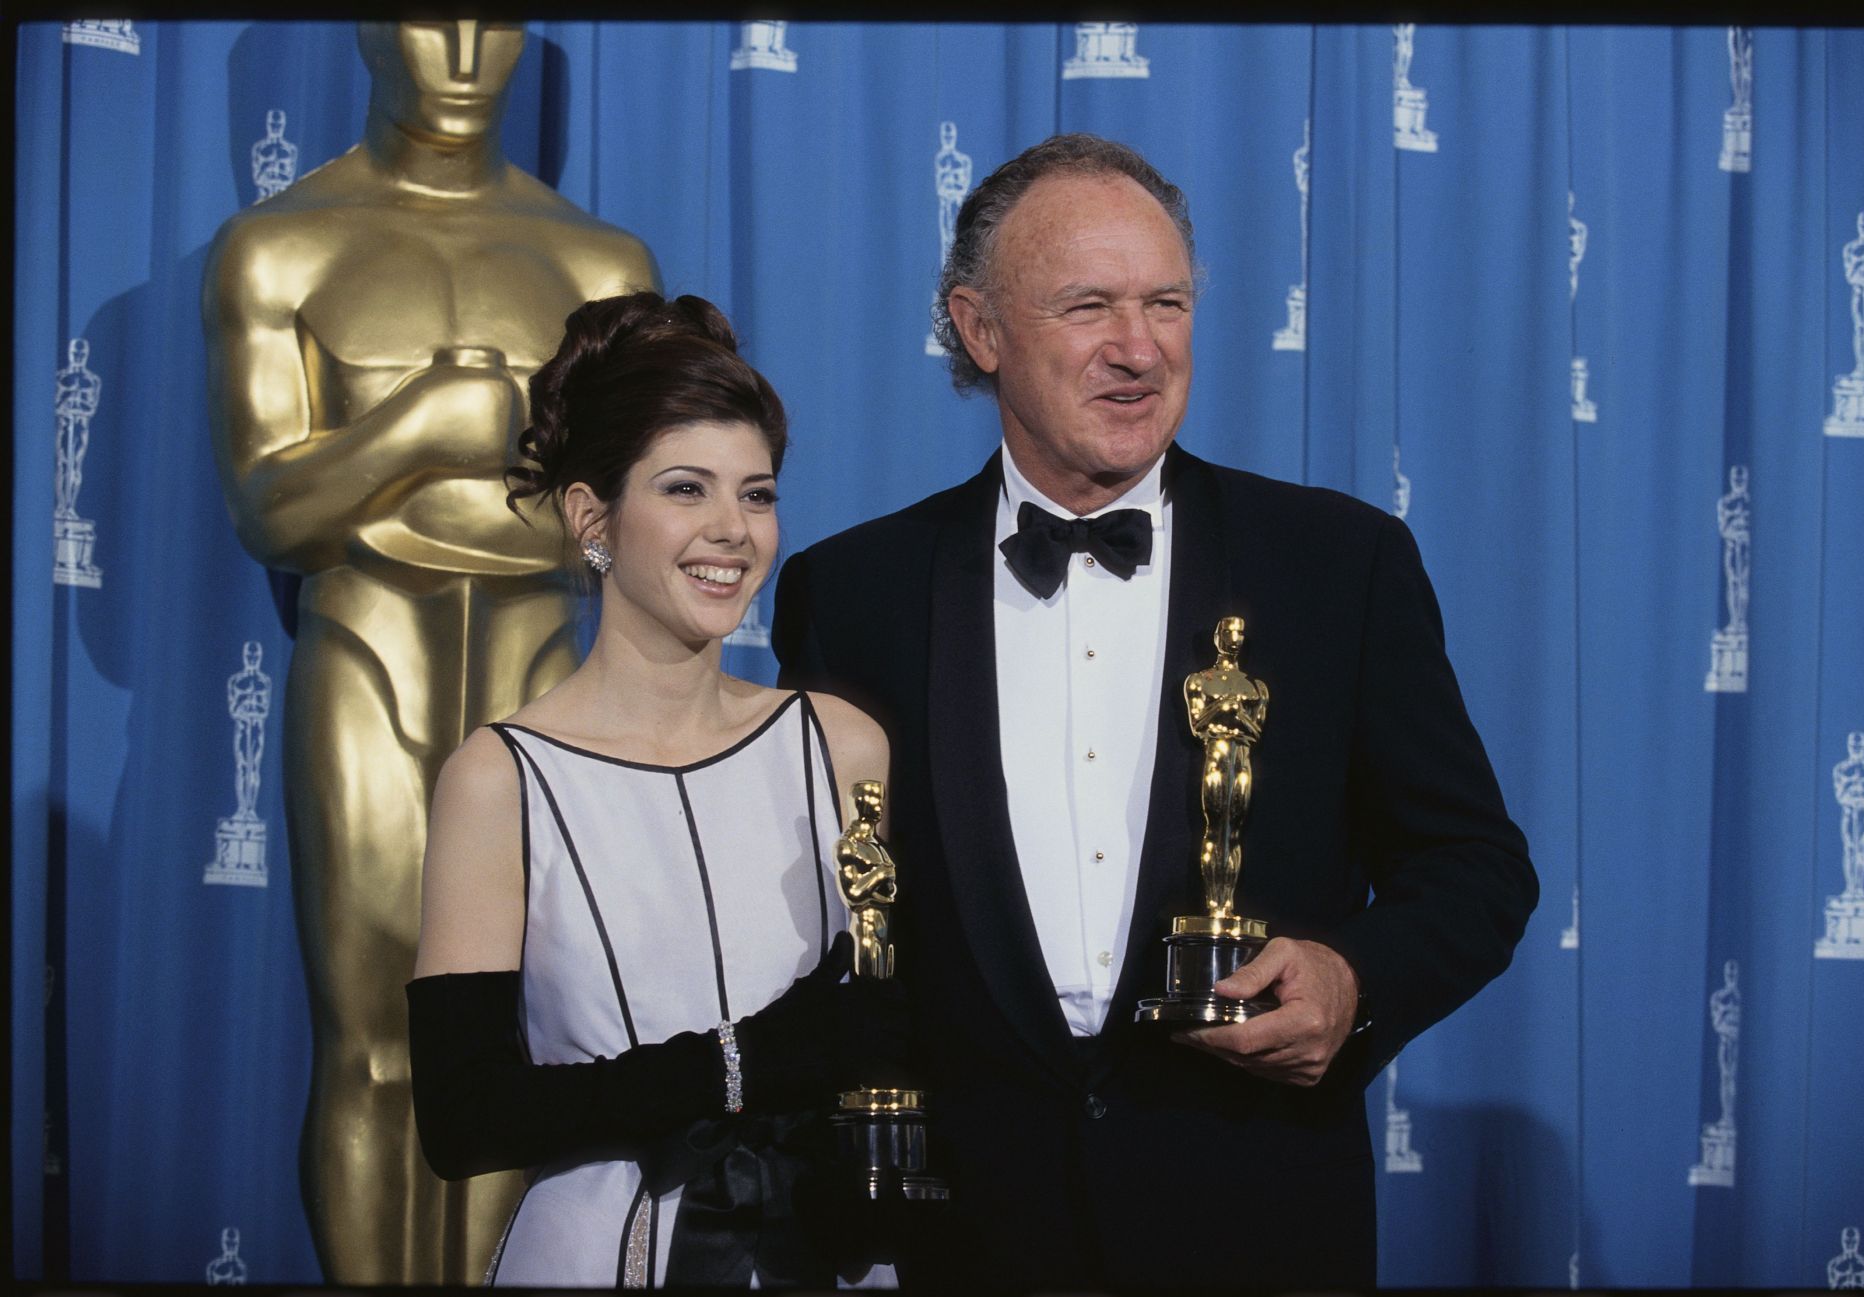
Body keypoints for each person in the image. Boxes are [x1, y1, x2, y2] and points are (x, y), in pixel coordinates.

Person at [772, 133, 1537, 1288]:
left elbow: (1476, 867)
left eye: (1167, 302)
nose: (1139, 349)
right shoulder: (855, 591)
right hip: (967, 1245)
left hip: (1258, 1227)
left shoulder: (1337, 564)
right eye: (1088, 307)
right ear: (980, 330)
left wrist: (1352, 978)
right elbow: (832, 928)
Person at [203, 21, 659, 1281]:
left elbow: (629, 525)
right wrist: (428, 424)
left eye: (495, 19)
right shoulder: (281, 248)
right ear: (364, 25)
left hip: (543, 677)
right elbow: (271, 513)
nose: (461, 49)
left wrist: (383, 480)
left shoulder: (599, 261)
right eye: (426, 13)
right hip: (365, 658)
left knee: (524, 1037)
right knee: (369, 1048)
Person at [407, 291, 906, 1287]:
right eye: (686, 489)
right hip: (596, 1257)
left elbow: (883, 1029)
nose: (734, 531)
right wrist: (739, 1064)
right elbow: (464, 1119)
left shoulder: (842, 746)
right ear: (592, 516)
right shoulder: (500, 780)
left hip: (834, 1256)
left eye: (758, 494)